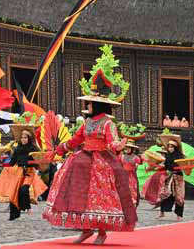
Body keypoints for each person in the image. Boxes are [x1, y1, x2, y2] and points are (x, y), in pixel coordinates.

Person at [43, 58, 136, 245]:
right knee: (80, 196)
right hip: (82, 159)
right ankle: (86, 230)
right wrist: (58, 150)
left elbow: (112, 142)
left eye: (90, 104)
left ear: (99, 106)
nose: (87, 106)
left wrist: (119, 145)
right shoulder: (86, 122)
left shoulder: (108, 123)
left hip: (101, 163)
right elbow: (75, 140)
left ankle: (101, 232)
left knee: (99, 198)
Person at [6, 127, 41, 220]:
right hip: (18, 172)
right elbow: (12, 162)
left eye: (25, 137)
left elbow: (38, 161)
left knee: (24, 189)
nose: (23, 139)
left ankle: (27, 207)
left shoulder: (33, 148)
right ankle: (14, 215)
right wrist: (3, 164)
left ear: (29, 138)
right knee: (14, 192)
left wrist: (34, 163)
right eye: (22, 137)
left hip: (29, 172)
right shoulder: (17, 149)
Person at [156, 133, 187, 220]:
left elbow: (183, 166)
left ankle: (179, 215)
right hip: (169, 177)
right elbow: (166, 166)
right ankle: (162, 212)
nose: (170, 148)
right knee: (164, 194)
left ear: (175, 148)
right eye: (169, 147)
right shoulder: (168, 156)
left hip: (178, 177)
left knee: (179, 196)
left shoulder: (180, 156)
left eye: (172, 147)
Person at [119, 141, 143, 208]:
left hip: (131, 176)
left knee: (132, 189)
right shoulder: (122, 156)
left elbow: (140, 163)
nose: (127, 149)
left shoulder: (135, 157)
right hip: (123, 175)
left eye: (129, 148)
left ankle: (133, 203)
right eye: (126, 148)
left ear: (132, 149)